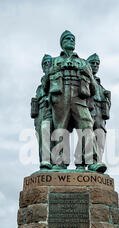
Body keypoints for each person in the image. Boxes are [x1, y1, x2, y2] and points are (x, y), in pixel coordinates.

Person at [45, 30, 97, 170]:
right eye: (67, 39)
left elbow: (94, 89)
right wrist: (55, 70)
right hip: (60, 97)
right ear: (62, 43)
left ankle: (90, 162)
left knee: (87, 126)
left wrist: (86, 73)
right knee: (60, 129)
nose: (71, 40)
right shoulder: (55, 61)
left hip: (79, 97)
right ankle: (59, 162)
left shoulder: (83, 62)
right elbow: (45, 86)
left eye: (73, 39)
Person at [87, 53, 110, 173]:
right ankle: (84, 162)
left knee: (100, 136)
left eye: (97, 64)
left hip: (100, 113)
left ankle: (98, 161)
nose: (95, 65)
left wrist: (107, 98)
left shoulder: (100, 84)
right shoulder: (85, 78)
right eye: (93, 63)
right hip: (89, 110)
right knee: (87, 135)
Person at [31, 54, 53, 170]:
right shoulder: (39, 88)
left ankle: (55, 163)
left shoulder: (54, 80)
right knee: (42, 140)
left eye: (49, 62)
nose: (47, 65)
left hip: (52, 111)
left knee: (56, 137)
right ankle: (45, 163)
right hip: (40, 114)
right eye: (45, 63)